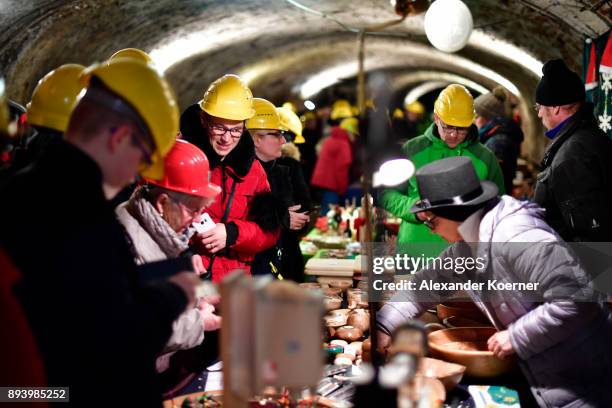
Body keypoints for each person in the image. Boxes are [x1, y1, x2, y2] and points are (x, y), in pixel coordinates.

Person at [0, 58, 199, 406]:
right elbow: (116, 340)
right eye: (140, 161)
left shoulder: (19, 192)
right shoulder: (76, 213)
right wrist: (173, 294)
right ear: (120, 138)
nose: (135, 176)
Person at [377, 156, 612, 408]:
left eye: (431, 221)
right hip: (548, 375)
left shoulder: (517, 236)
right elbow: (422, 287)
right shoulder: (468, 244)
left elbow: (578, 299)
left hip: (586, 381)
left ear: (455, 214)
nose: (431, 230)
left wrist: (515, 336)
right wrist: (383, 327)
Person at [116, 139, 222, 391]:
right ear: (162, 203)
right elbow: (133, 328)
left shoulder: (163, 230)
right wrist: (198, 322)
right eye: (192, 210)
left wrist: (197, 301)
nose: (197, 220)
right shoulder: (124, 242)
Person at [379, 84, 504, 258]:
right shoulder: (411, 150)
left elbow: (498, 207)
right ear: (436, 118)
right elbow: (385, 194)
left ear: (472, 122)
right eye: (448, 127)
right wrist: (412, 207)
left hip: (465, 255)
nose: (453, 134)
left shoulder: (485, 158)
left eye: (461, 128)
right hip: (416, 251)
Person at [179, 74, 280, 282]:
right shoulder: (180, 158)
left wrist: (233, 233)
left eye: (235, 130)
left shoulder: (253, 170)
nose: (226, 138)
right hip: (188, 282)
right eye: (219, 128)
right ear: (203, 120)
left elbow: (270, 231)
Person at [533, 59, 612, 242]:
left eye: (539, 107)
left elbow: (591, 233)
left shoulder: (572, 156)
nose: (538, 114)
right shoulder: (588, 137)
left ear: (555, 108)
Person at [246, 99, 311, 280]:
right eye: (276, 134)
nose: (283, 140)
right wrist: (282, 217)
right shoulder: (243, 175)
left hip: (280, 262)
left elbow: (300, 215)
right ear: (257, 139)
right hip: (256, 270)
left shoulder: (279, 171)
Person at [474, 86, 524, 192]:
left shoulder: (498, 143)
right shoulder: (494, 137)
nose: (474, 121)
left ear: (488, 118)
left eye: (477, 116)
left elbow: (490, 180)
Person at [310, 103, 354, 211]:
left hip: (321, 182)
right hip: (331, 184)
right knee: (330, 213)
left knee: (326, 211)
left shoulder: (332, 138)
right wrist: (342, 189)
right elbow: (342, 168)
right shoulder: (343, 143)